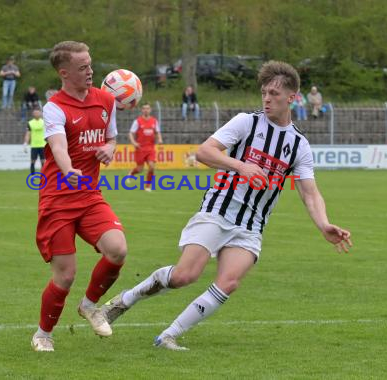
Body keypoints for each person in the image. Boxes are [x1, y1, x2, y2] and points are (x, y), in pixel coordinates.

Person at [102, 60, 353, 351]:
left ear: (292, 98)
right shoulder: (247, 122)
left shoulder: (299, 145)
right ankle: (123, 301)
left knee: (228, 282)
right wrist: (241, 166)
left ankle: (168, 336)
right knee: (185, 275)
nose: (267, 99)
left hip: (252, 224)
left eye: (274, 93)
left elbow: (310, 193)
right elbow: (205, 152)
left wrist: (324, 224)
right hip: (219, 210)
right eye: (264, 93)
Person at [31, 41, 127, 352]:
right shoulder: (54, 107)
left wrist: (109, 149)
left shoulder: (105, 101)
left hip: (89, 196)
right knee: (65, 275)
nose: (90, 71)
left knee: (117, 250)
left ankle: (89, 305)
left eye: (90, 64)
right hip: (57, 200)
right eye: (83, 67)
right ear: (64, 73)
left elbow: (112, 136)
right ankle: (43, 334)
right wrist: (68, 168)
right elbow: (58, 146)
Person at [127, 103, 162, 191]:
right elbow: (131, 133)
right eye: (144, 108)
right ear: (142, 110)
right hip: (140, 148)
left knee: (151, 166)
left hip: (150, 148)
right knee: (139, 169)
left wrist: (160, 139)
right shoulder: (137, 121)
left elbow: (157, 132)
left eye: (148, 108)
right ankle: (131, 173)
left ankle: (147, 186)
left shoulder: (154, 121)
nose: (146, 110)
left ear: (150, 110)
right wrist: (134, 142)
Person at [23, 108, 46, 174]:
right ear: (33, 114)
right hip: (34, 145)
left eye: (38, 112)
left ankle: (43, 176)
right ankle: (32, 175)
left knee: (43, 161)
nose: (36, 114)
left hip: (43, 145)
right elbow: (28, 134)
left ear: (40, 113)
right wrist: (25, 144)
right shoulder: (30, 123)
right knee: (33, 161)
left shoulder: (44, 122)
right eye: (35, 113)